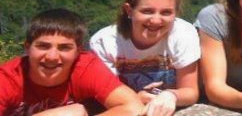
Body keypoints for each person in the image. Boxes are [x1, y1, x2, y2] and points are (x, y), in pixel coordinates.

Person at [90, 0, 200, 116]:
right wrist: (134, 98)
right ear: (129, 10)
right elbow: (106, 96)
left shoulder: (183, 33)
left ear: (176, 13)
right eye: (147, 11)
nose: (155, 20)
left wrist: (171, 95)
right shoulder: (104, 42)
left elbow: (190, 91)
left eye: (166, 12)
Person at [0, 8, 143, 116]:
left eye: (64, 48)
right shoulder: (7, 78)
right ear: (27, 48)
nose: (52, 56)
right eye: (43, 46)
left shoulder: (86, 68)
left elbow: (133, 107)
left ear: (78, 52)